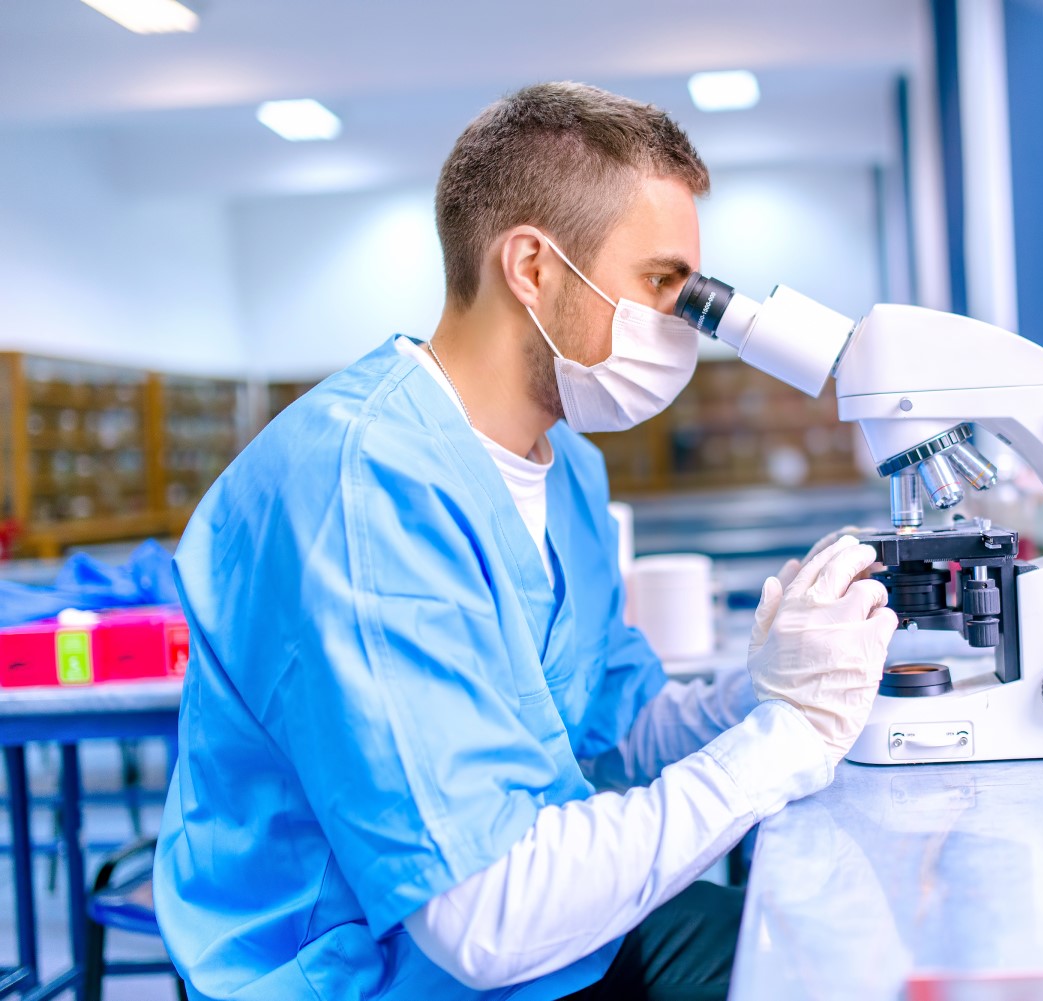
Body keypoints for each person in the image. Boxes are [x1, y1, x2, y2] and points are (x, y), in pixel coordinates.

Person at [153, 81, 896, 1001]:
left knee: (821, 946)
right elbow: (483, 917)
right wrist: (785, 739)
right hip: (378, 974)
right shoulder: (360, 485)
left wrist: (783, 683)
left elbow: (616, 734)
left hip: (547, 945)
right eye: (663, 283)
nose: (682, 325)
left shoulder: (568, 471)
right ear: (533, 268)